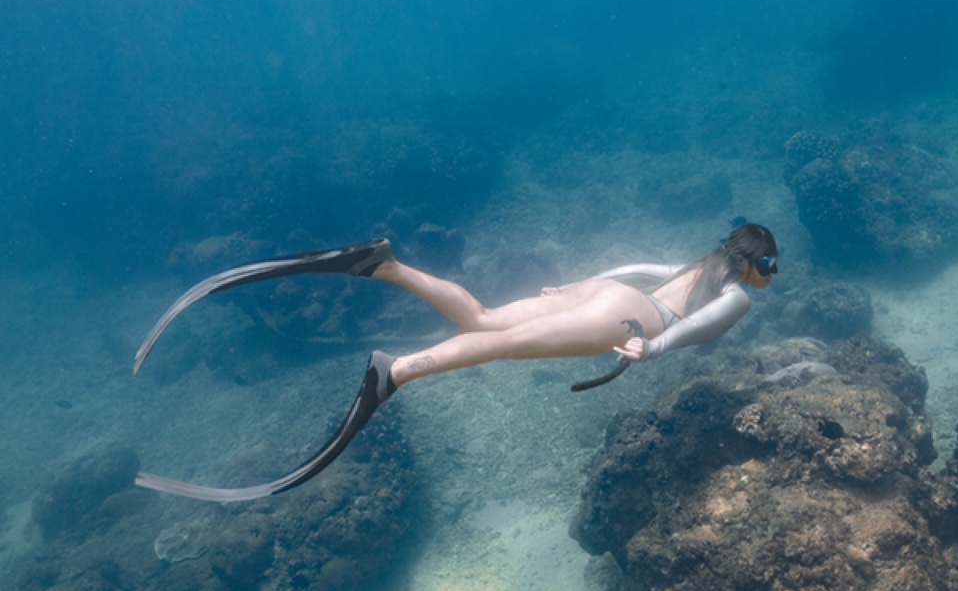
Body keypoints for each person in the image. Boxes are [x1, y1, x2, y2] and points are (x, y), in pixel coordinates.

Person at [132, 223, 780, 502]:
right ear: (756, 264)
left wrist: (578, 285)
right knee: (500, 344)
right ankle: (398, 372)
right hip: (632, 319)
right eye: (769, 267)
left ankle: (381, 263)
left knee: (485, 321)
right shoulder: (733, 295)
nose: (767, 278)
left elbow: (638, 268)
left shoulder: (699, 264)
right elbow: (702, 321)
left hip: (609, 296)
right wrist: (652, 346)